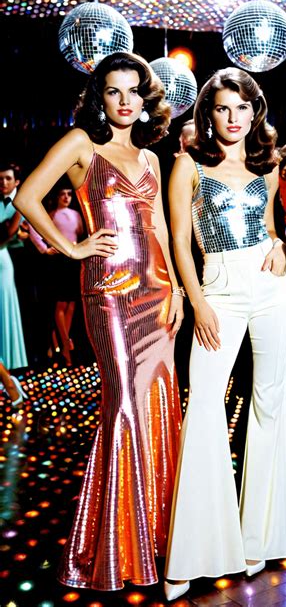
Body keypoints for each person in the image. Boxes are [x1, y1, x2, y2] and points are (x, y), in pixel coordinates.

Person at [13, 51, 184, 590]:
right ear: (99, 98)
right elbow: (26, 196)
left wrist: (179, 289)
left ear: (145, 98)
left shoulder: (151, 156)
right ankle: (117, 550)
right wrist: (71, 248)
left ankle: (159, 539)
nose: (125, 100)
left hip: (158, 294)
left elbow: (160, 227)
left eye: (134, 90)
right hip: (109, 293)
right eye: (114, 91)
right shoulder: (81, 144)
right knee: (124, 408)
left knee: (159, 407)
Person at [164, 67, 286, 601]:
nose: (233, 117)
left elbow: (270, 228)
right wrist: (197, 301)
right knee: (204, 405)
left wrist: (280, 245)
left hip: (271, 287)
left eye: (242, 107)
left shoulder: (268, 166)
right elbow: (179, 241)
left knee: (270, 401)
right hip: (216, 287)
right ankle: (191, 554)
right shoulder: (189, 164)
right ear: (208, 114)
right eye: (222, 108)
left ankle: (259, 538)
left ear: (255, 111)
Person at [29, 185, 84, 366]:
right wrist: (44, 249)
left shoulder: (76, 215)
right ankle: (66, 346)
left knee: (71, 304)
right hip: (59, 261)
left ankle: (63, 343)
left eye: (69, 194)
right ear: (57, 197)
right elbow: (33, 228)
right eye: (63, 194)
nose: (66, 197)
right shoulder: (52, 215)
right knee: (61, 303)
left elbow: (80, 234)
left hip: (74, 260)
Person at [0, 168, 28, 370]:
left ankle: (13, 360)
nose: (3, 182)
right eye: (0, 179)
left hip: (20, 260)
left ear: (16, 181)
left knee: (10, 306)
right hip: (5, 255)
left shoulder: (23, 201)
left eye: (7, 178)